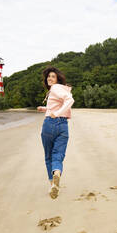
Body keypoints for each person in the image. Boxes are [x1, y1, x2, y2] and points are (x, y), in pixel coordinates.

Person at [37, 67, 75, 199]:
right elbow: (56, 106)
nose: (49, 78)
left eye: (53, 76)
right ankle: (57, 173)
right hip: (63, 126)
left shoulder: (55, 88)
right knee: (58, 155)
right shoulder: (59, 89)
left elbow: (70, 100)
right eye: (48, 76)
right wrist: (45, 108)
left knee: (48, 156)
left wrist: (56, 113)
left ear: (57, 79)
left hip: (50, 124)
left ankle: (52, 184)